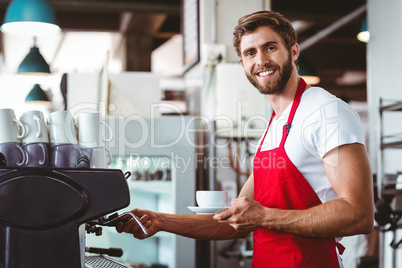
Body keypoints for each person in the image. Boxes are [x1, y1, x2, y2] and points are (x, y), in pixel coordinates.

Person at [116, 10, 374, 267]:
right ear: (242, 63)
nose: (261, 60)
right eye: (250, 53)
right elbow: (234, 223)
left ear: (294, 52)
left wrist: (264, 218)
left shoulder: (326, 110)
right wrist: (161, 221)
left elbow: (358, 214)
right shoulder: (272, 126)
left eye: (270, 47)